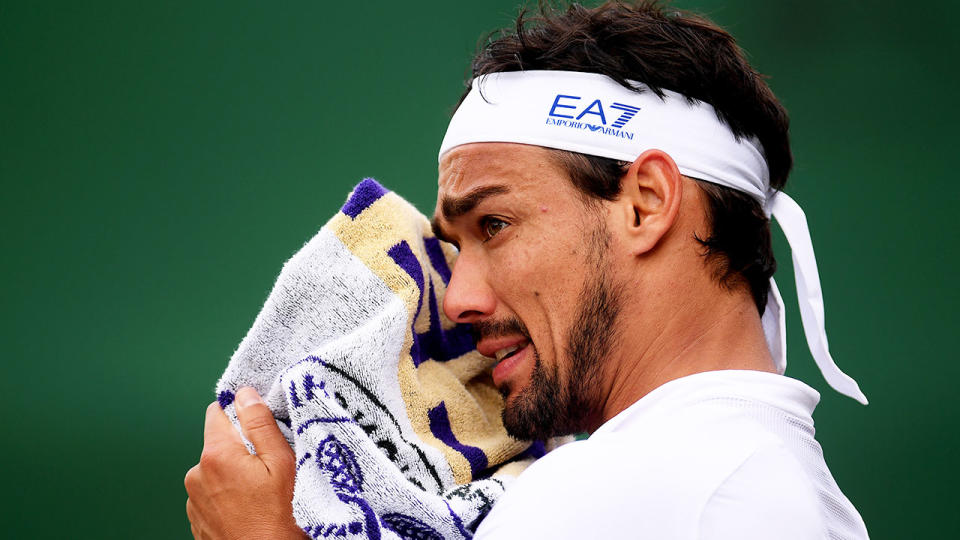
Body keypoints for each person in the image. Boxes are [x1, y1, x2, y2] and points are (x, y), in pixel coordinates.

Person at [186, 2, 869, 538]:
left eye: (495, 225)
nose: (458, 299)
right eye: (455, 247)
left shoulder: (636, 493)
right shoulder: (759, 483)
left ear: (646, 203)